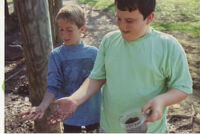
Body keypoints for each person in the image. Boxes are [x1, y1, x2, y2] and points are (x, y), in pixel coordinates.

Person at [47, 0, 193, 133]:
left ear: (149, 18)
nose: (122, 26)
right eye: (119, 18)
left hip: (150, 130)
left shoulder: (168, 46)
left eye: (129, 20)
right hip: (109, 128)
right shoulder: (110, 41)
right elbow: (96, 78)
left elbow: (182, 87)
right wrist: (75, 100)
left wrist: (161, 101)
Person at [19, 3, 101, 133]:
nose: (64, 34)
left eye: (69, 29)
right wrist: (43, 106)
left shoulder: (94, 53)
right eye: (61, 29)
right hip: (68, 114)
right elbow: (53, 85)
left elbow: (100, 80)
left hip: (93, 111)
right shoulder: (56, 55)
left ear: (82, 29)